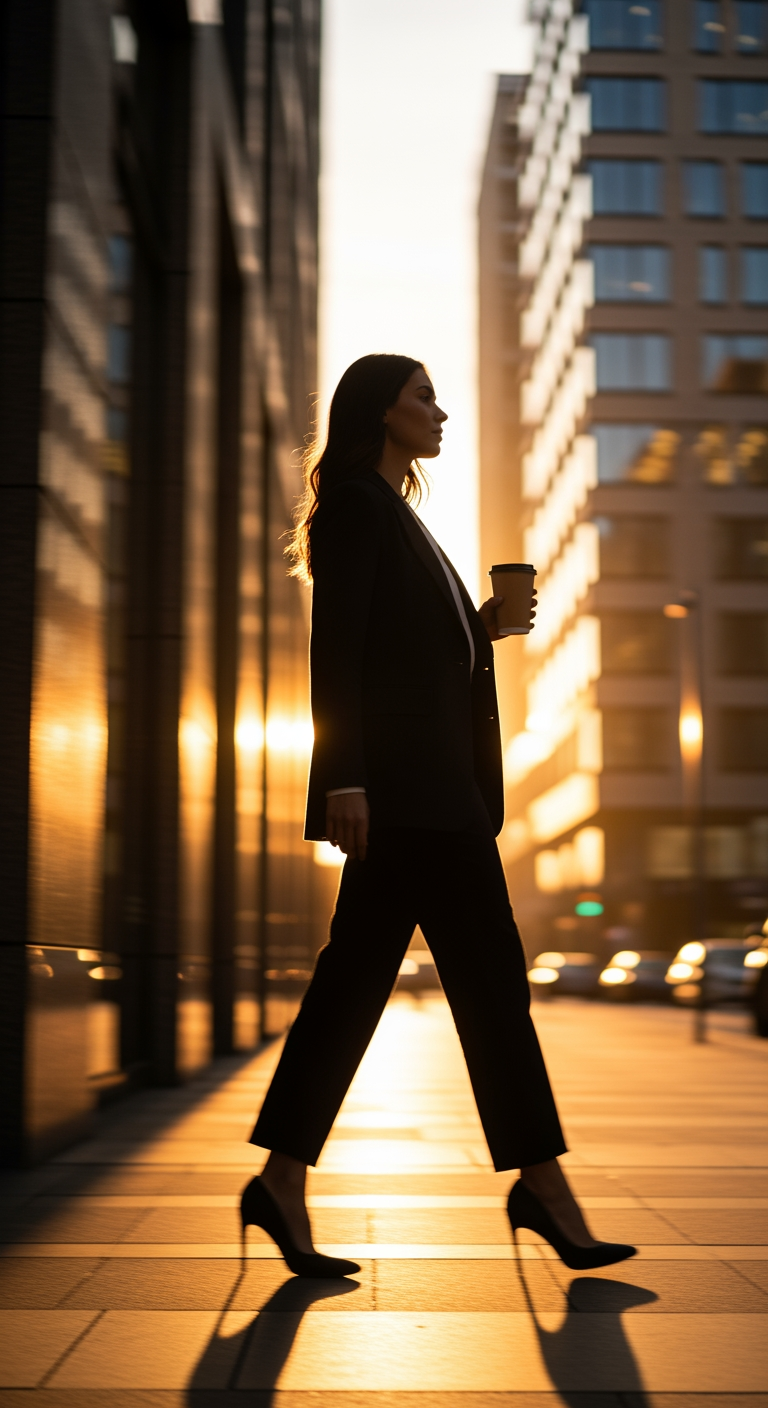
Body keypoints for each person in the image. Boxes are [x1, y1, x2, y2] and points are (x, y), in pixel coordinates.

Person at [240, 354, 636, 1277]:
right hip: (411, 806)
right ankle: (542, 1188)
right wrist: (344, 779)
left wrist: (484, 624)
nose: (442, 410)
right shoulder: (357, 508)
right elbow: (336, 650)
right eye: (423, 396)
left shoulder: (397, 516)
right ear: (381, 412)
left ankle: (282, 1179)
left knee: (353, 993)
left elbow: (410, 653)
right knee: (491, 991)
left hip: (429, 803)